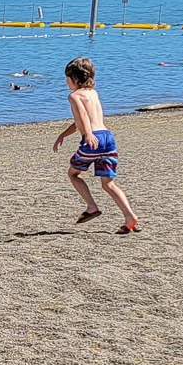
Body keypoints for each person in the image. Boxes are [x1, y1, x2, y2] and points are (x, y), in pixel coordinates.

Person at [50, 56, 141, 233]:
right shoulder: (93, 93)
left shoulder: (74, 96)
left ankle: (92, 207)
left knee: (73, 174)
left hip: (93, 140)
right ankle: (130, 217)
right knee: (108, 183)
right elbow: (80, 121)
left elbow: (83, 117)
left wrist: (89, 134)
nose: (66, 82)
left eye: (67, 78)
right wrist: (63, 134)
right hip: (108, 137)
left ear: (74, 79)